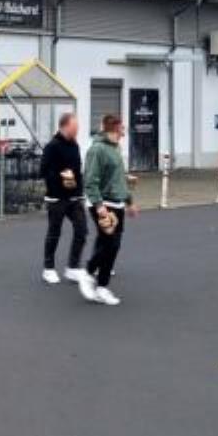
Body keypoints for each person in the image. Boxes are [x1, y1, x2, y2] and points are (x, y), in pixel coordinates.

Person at [79, 114, 137, 306]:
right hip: (103, 203)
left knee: (113, 245)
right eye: (122, 128)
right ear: (115, 128)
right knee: (109, 243)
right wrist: (98, 205)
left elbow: (118, 179)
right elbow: (90, 180)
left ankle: (101, 287)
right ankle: (88, 273)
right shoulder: (97, 150)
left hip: (117, 203)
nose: (124, 131)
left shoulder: (116, 148)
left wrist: (129, 201)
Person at [39, 112, 88, 285]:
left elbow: (78, 171)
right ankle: (48, 269)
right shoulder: (52, 146)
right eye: (75, 127)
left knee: (82, 230)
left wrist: (80, 193)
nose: (77, 130)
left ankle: (72, 268)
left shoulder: (75, 145)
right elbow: (43, 171)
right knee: (54, 232)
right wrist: (61, 176)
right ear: (65, 126)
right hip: (56, 197)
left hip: (74, 197)